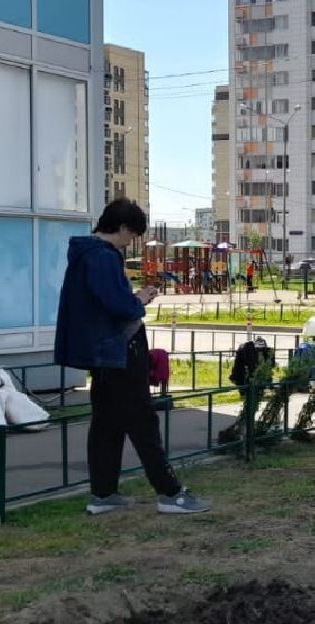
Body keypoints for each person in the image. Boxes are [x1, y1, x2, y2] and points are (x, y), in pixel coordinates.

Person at [53, 198, 210, 516]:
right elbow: (118, 305)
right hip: (120, 349)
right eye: (132, 235)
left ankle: (103, 493)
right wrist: (139, 299)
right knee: (142, 421)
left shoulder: (84, 254)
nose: (131, 242)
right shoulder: (103, 257)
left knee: (106, 424)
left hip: (104, 354)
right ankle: (170, 493)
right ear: (121, 227)